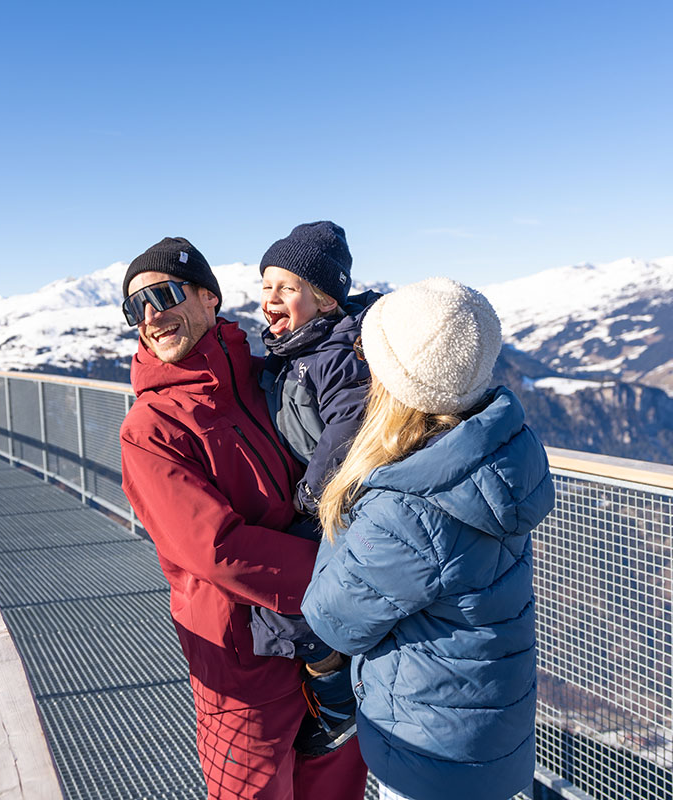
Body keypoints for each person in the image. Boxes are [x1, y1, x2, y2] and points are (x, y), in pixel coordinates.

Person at [119, 236, 367, 799]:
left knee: (337, 787)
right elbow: (216, 548)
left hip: (328, 636)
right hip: (243, 662)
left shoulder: (269, 377)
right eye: (137, 307)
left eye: (163, 294)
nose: (152, 316)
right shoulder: (151, 428)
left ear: (210, 298)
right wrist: (347, 574)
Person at [301, 277, 555, 800]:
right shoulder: (497, 456)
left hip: (429, 752)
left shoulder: (408, 507)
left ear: (398, 381)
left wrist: (342, 505)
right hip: (491, 731)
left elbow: (332, 616)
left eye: (366, 355)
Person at [248, 221, 381, 756]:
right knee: (293, 605)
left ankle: (337, 705)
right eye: (265, 287)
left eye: (287, 287)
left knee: (298, 608)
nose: (270, 299)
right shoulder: (295, 352)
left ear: (325, 300)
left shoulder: (336, 355)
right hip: (318, 497)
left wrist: (310, 492)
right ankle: (329, 686)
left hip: (335, 502)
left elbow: (348, 427)